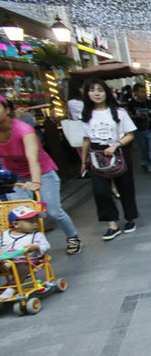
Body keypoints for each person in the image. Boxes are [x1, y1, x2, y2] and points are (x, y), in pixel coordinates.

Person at [0, 96, 81, 255]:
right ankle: (28, 250)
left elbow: (33, 158)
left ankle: (72, 237)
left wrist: (36, 181)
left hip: (42, 172)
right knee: (19, 216)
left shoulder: (23, 130)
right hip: (15, 176)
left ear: (7, 110)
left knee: (53, 211)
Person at [79, 79, 139, 241]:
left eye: (100, 90)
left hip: (118, 152)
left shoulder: (119, 112)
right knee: (100, 191)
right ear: (87, 94)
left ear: (107, 92)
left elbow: (130, 134)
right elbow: (86, 139)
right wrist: (83, 161)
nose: (97, 94)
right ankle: (111, 224)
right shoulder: (85, 115)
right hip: (96, 154)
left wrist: (115, 145)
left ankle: (130, 218)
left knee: (125, 187)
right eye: (92, 90)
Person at [0, 204, 51, 300]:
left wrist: (36, 247)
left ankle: (12, 288)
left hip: (27, 261)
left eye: (36, 221)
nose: (35, 224)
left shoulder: (36, 235)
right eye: (31, 222)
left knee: (22, 267)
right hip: (6, 261)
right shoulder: (5, 235)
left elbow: (46, 246)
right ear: (16, 225)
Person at [127, 84, 151, 177]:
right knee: (143, 148)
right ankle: (145, 161)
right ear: (136, 93)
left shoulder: (150, 103)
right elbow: (128, 115)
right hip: (139, 129)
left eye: (145, 91)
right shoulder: (131, 103)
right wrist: (135, 116)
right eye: (141, 92)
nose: (144, 94)